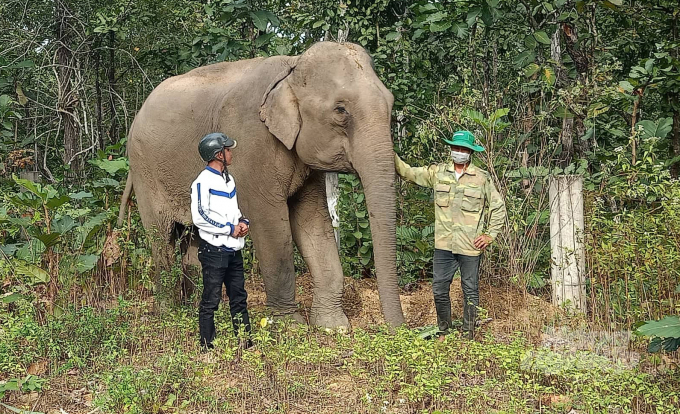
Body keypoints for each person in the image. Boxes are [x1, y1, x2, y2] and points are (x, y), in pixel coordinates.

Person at [395, 130, 506, 340]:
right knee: (439, 289)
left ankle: (468, 335)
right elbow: (408, 172)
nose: (460, 152)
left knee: (470, 290)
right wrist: (387, 150)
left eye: (464, 149)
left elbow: (498, 207)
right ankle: (443, 331)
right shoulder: (438, 173)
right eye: (457, 148)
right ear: (451, 149)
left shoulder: (481, 178)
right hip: (444, 244)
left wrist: (490, 234)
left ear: (471, 152)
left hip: (470, 246)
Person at [191, 132, 252, 350]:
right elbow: (200, 217)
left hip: (233, 249)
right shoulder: (202, 182)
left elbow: (232, 210)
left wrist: (243, 222)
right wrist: (229, 229)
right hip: (214, 250)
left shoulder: (229, 180)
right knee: (211, 300)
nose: (231, 152)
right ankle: (207, 346)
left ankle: (245, 343)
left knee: (239, 298)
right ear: (218, 154)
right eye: (227, 149)